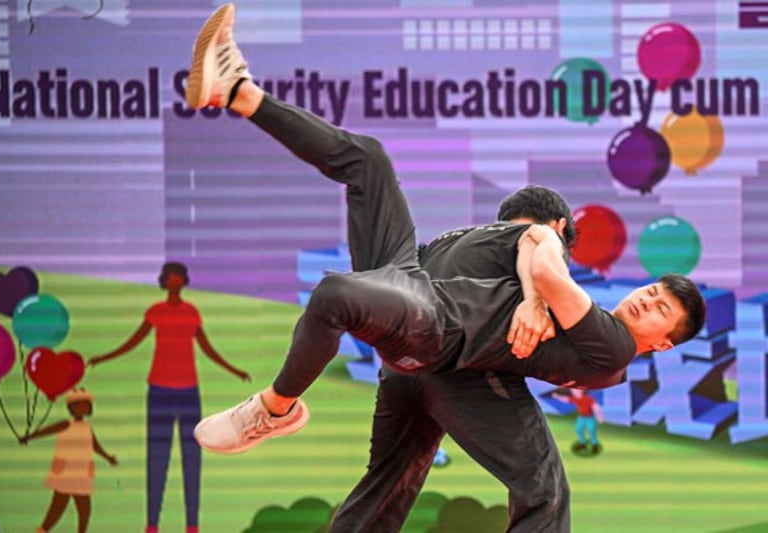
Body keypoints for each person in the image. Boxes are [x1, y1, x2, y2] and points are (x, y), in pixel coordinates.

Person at [186, 4, 706, 458]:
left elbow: (543, 252)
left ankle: (275, 410)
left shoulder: (591, 324)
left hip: (431, 329)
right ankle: (237, 89)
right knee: (369, 160)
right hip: (409, 284)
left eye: (662, 307)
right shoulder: (548, 281)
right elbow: (535, 247)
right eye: (653, 291)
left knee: (334, 294)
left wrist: (537, 292)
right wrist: (533, 294)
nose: (647, 300)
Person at [331, 186, 576, 532]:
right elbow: (541, 263)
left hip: (401, 372)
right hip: (463, 367)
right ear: (559, 224)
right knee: (543, 489)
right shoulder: (544, 239)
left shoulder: (450, 241)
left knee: (384, 488)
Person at [87, 262, 251, 533]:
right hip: (159, 391)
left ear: (182, 280)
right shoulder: (156, 312)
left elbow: (206, 347)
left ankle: (192, 525)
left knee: (192, 458)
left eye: (178, 275)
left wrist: (233, 370)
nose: (175, 279)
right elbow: (134, 341)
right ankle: (152, 524)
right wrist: (104, 357)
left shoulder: (191, 313)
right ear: (166, 280)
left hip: (188, 392)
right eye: (171, 275)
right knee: (157, 457)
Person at [19, 388, 117, 533]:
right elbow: (46, 431)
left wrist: (108, 457)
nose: (82, 408)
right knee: (58, 506)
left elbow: (94, 445)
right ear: (71, 408)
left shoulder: (87, 427)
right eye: (78, 405)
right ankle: (43, 529)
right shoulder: (66, 424)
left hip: (82, 472)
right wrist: (29, 437)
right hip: (65, 472)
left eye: (85, 405)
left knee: (84, 508)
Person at [553, 388, 604, 454]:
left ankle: (595, 445)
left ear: (581, 391)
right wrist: (557, 397)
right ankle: (583, 444)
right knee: (579, 430)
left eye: (576, 391)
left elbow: (596, 407)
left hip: (590, 418)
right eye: (573, 391)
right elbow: (565, 399)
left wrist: (600, 417)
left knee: (591, 431)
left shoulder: (588, 399)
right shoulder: (574, 398)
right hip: (581, 417)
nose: (574, 392)